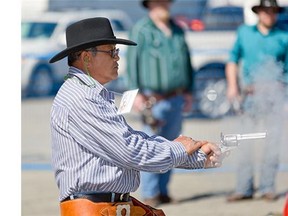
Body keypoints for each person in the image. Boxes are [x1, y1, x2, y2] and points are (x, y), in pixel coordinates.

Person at [49, 17, 224, 216]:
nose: (117, 58)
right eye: (112, 51)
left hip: (109, 207)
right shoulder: (81, 97)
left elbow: (132, 141)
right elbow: (130, 151)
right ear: (87, 57)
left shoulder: (87, 93)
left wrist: (199, 157)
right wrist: (180, 149)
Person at [126, 0, 194, 207]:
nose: (164, 5)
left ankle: (164, 190)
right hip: (152, 98)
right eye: (159, 2)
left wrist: (189, 91)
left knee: (174, 145)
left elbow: (187, 61)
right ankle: (151, 192)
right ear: (150, 5)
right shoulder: (141, 30)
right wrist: (134, 94)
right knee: (151, 146)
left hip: (176, 96)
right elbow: (132, 63)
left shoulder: (177, 29)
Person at [225, 0, 288, 202]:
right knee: (245, 143)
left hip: (275, 97)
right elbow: (232, 60)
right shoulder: (244, 33)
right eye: (266, 11)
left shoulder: (284, 36)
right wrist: (233, 85)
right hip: (250, 98)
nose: (269, 14)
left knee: (272, 143)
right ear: (259, 12)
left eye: (273, 11)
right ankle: (244, 188)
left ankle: (267, 188)